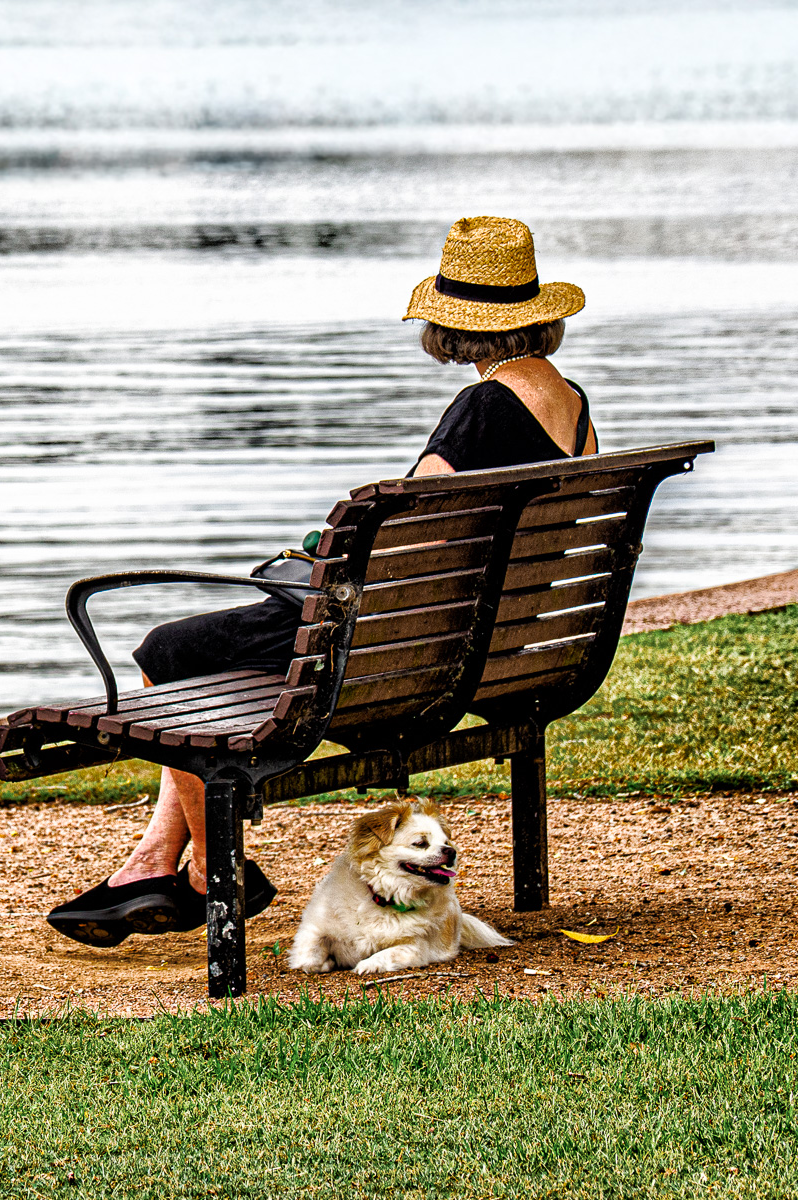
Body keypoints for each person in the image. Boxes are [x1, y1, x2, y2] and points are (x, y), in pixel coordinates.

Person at [47, 215, 596, 948]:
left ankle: (211, 874)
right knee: (213, 641)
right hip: (489, 641)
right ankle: (150, 864)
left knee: (165, 652)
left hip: (394, 646)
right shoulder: (571, 404)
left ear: (453, 326)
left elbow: (411, 543)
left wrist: (324, 560)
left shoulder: (483, 408)